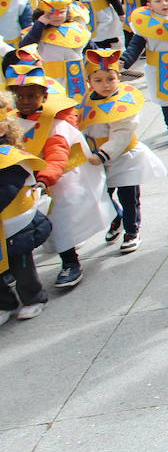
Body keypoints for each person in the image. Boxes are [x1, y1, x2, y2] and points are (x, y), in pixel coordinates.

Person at [7, 51, 105, 290]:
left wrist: (45, 180)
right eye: (20, 97)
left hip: (54, 182)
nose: (26, 101)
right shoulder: (9, 122)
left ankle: (70, 262)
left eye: (32, 96)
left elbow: (57, 155)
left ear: (44, 96)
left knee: (60, 222)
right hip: (24, 183)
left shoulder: (55, 124)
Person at [79, 47, 167, 253]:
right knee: (103, 195)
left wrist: (102, 154)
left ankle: (132, 230)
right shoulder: (88, 100)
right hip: (97, 159)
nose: (105, 85)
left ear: (118, 78)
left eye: (110, 79)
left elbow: (122, 134)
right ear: (89, 82)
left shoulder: (124, 103)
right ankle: (116, 218)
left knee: (129, 197)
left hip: (125, 158)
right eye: (98, 80)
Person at [0, 87, 53, 323]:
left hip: (14, 224)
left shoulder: (10, 156)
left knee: (22, 265)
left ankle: (34, 297)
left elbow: (9, 189)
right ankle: (5, 304)